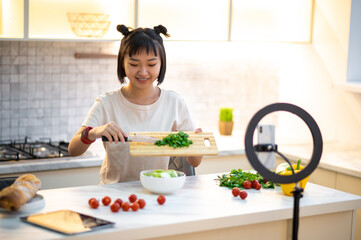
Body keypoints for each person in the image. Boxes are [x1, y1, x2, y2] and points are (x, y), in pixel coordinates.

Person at [68, 24, 202, 184]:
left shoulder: (174, 103)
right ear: (122, 63)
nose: (143, 72)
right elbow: (73, 150)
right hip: (114, 197)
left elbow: (194, 162)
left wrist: (196, 142)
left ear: (161, 64)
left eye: (151, 64)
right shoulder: (106, 103)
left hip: (156, 191)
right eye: (134, 64)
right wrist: (93, 132)